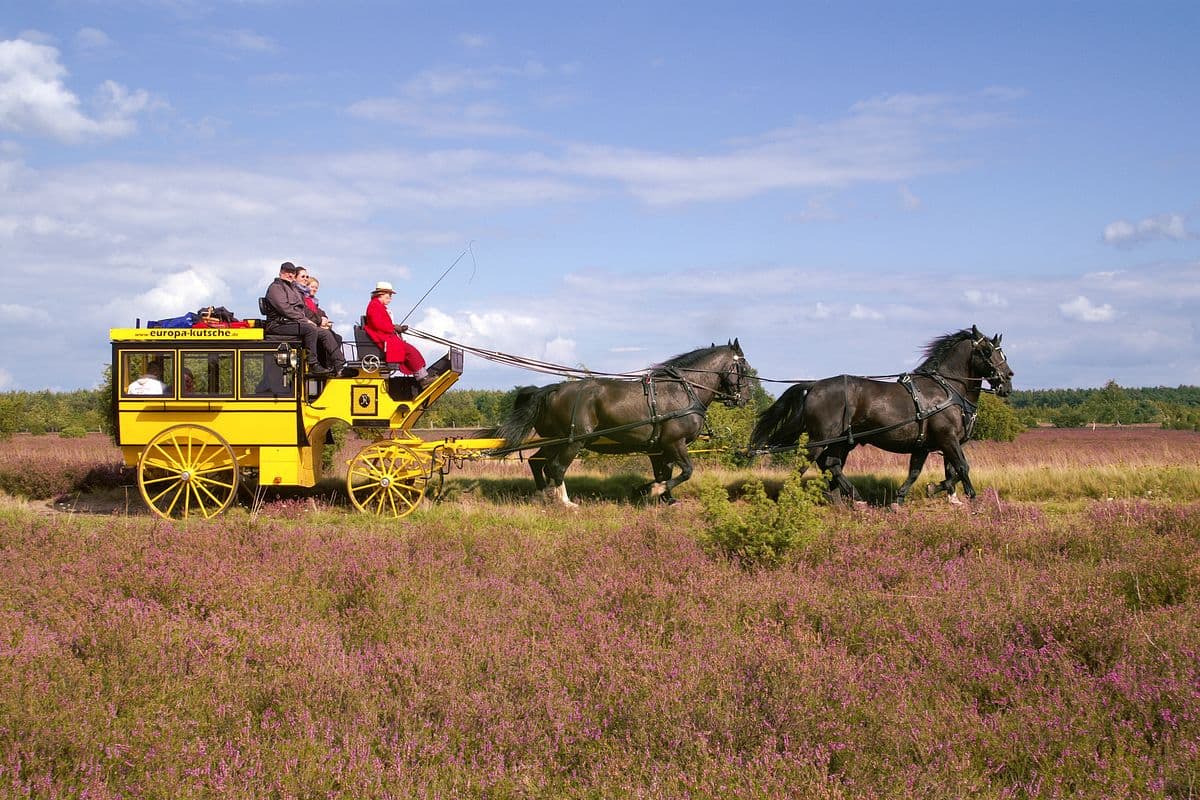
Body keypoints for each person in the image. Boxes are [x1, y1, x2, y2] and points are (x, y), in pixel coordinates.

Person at [263, 262, 345, 377]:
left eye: (292, 273)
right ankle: (313, 364)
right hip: (278, 324)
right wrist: (305, 320)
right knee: (310, 329)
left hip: (293, 323)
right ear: (281, 272)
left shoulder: (293, 289)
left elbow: (303, 309)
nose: (290, 275)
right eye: (287, 272)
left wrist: (315, 320)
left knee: (325, 333)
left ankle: (340, 366)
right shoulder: (275, 288)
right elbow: (285, 309)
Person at [364, 281, 428, 380]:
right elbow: (378, 324)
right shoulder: (374, 306)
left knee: (410, 350)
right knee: (410, 351)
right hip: (381, 338)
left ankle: (422, 376)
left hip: (385, 337)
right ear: (381, 294)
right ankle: (422, 378)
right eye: (389, 295)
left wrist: (398, 328)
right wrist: (394, 327)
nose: (390, 298)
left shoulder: (378, 306)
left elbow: (383, 324)